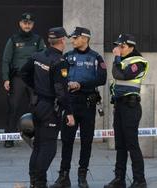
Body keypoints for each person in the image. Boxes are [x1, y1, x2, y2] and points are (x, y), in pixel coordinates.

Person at [51, 27, 107, 188]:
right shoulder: (67, 56)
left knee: (86, 141)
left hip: (87, 104)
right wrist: (66, 84)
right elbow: (59, 76)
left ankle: (82, 176)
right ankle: (64, 176)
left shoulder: (96, 57)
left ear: (85, 38)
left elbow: (102, 79)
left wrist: (80, 84)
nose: (72, 41)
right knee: (67, 140)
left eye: (75, 38)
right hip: (70, 104)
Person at [21, 27, 75, 188]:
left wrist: (38, 87)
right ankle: (38, 182)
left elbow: (24, 73)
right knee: (48, 148)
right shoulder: (60, 61)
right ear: (62, 41)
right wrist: (69, 112)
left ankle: (36, 182)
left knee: (38, 145)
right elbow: (60, 90)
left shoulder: (37, 56)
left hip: (37, 104)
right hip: (50, 108)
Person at [104, 34, 149, 188]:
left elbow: (120, 75)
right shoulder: (122, 61)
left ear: (131, 47)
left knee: (132, 144)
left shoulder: (138, 61)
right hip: (120, 106)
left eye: (122, 46)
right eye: (118, 46)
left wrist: (116, 58)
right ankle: (119, 179)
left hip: (131, 107)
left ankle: (139, 180)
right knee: (120, 145)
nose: (118, 49)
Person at [2, 12, 46, 148]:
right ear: (20, 24)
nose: (27, 25)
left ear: (33, 24)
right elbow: (6, 60)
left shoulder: (38, 40)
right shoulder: (13, 40)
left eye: (30, 23)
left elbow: (44, 58)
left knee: (37, 107)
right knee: (13, 108)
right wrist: (5, 79)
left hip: (34, 79)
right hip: (18, 79)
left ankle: (37, 137)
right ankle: (9, 137)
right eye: (25, 23)